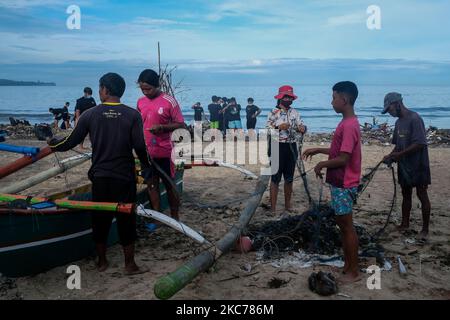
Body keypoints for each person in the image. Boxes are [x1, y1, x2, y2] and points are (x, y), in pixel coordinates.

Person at [48, 73, 151, 275]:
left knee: (100, 219)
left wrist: (52, 144)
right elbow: (140, 147)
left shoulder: (90, 114)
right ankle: (130, 265)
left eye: (100, 88)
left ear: (105, 89)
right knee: (126, 219)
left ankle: (102, 261)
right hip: (124, 177)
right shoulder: (132, 115)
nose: (99, 91)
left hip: (101, 176)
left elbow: (68, 142)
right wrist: (147, 167)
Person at [303, 81, 362, 284]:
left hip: (345, 183)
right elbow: (340, 151)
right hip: (341, 182)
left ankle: (354, 271)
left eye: (333, 97)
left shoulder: (349, 125)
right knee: (342, 225)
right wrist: (318, 150)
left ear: (344, 99)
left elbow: (343, 159)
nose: (331, 102)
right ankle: (347, 266)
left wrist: (321, 165)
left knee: (347, 227)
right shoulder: (347, 123)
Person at [136, 69, 185, 221]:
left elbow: (181, 124)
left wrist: (162, 128)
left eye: (149, 89)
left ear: (157, 86)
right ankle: (157, 217)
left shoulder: (169, 101)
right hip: (147, 152)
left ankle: (175, 218)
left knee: (170, 185)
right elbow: (139, 123)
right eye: (142, 89)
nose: (146, 92)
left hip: (165, 151)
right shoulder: (140, 102)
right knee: (151, 185)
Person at [381, 92, 431, 241]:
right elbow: (398, 146)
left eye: (389, 109)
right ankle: (404, 223)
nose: (389, 113)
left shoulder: (415, 119)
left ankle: (425, 229)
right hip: (405, 166)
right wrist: (390, 156)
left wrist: (400, 155)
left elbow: (420, 143)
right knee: (406, 194)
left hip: (419, 165)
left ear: (397, 104)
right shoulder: (398, 123)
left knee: (422, 195)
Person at [267, 85, 306, 214]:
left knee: (289, 178)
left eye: (290, 97)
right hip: (276, 145)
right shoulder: (274, 112)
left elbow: (302, 125)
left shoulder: (295, 112)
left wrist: (303, 128)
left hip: (291, 146)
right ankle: (273, 208)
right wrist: (279, 127)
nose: (288, 99)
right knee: (275, 178)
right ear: (280, 98)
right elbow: (267, 129)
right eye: (286, 97)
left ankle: (288, 206)